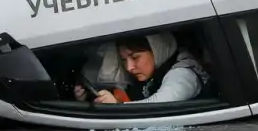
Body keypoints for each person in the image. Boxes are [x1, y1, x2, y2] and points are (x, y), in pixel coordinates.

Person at [73, 32, 210, 105]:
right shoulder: (150, 72)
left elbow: (158, 105)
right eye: (124, 60)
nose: (129, 67)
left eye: (135, 57)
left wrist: (118, 107)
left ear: (156, 50)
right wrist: (90, 98)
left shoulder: (184, 73)